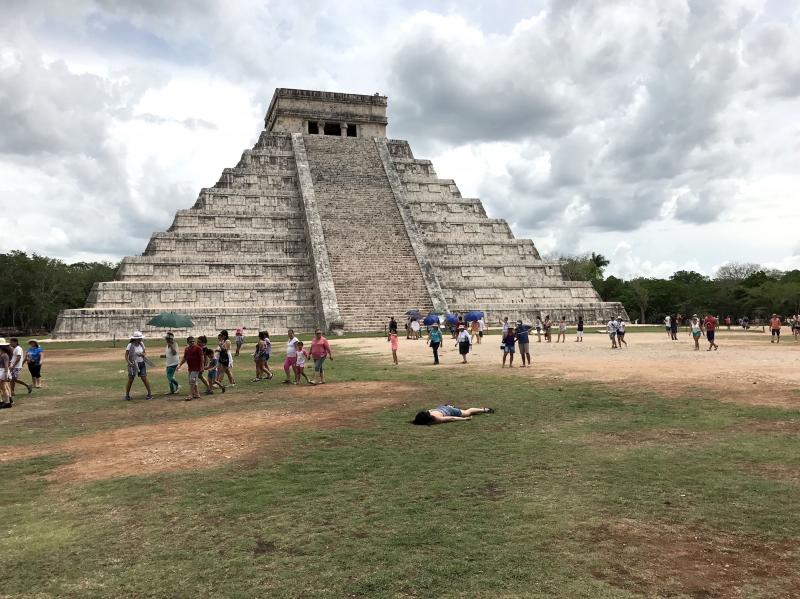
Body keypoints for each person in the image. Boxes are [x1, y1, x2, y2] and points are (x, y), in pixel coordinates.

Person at [124, 331, 153, 401]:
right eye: (140, 338)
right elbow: (126, 355)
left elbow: (144, 353)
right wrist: (129, 363)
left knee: (144, 378)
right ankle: (127, 395)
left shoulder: (142, 344)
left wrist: (142, 354)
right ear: (135, 339)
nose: (141, 339)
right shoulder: (130, 345)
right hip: (133, 364)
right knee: (131, 379)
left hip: (141, 363)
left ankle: (149, 394)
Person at [177, 336, 204, 401]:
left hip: (196, 368)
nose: (192, 343)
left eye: (193, 341)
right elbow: (184, 358)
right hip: (190, 368)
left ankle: (190, 395)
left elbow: (202, 357)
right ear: (188, 342)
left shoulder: (198, 348)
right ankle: (197, 394)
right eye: (190, 342)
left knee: (192, 380)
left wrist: (202, 367)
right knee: (193, 381)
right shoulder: (187, 349)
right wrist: (180, 365)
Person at [412, 405, 495, 425]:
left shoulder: (437, 419)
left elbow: (451, 418)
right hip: (441, 407)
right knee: (465, 413)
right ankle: (449, 406)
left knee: (467, 412)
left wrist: (464, 419)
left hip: (449, 410)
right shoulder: (427, 412)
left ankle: (484, 409)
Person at [0, 339, 12, 408]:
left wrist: (6, 374)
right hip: (2, 371)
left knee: (3, 388)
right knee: (3, 388)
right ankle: (7, 402)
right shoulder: (2, 354)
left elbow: (6, 365)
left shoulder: (4, 355)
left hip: (3, 371)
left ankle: (7, 402)